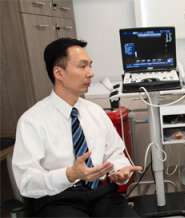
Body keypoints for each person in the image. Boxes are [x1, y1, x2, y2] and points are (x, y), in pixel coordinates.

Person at [12, 38, 142, 217]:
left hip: (102, 194)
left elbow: (115, 153)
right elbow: (26, 182)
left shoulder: (94, 111)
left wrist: (120, 170)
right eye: (82, 66)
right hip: (58, 199)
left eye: (90, 65)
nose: (90, 73)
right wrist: (69, 174)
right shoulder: (31, 121)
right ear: (59, 73)